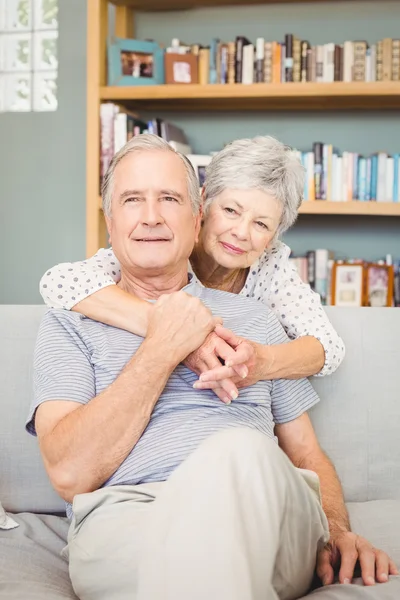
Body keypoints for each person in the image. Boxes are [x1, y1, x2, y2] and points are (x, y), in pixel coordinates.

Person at [27, 134, 397, 600]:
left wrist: (339, 530)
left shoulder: (259, 315)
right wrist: (165, 343)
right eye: (132, 200)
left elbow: (306, 454)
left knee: (238, 453)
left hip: (264, 514)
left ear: (195, 214)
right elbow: (69, 476)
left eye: (168, 198)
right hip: (130, 522)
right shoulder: (71, 318)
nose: (151, 216)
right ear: (110, 221)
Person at [39, 135, 345, 403]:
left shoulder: (269, 268)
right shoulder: (162, 245)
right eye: (230, 210)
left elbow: (327, 347)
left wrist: (259, 362)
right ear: (202, 206)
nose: (241, 232)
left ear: (274, 237)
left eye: (261, 224)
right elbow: (58, 282)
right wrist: (187, 336)